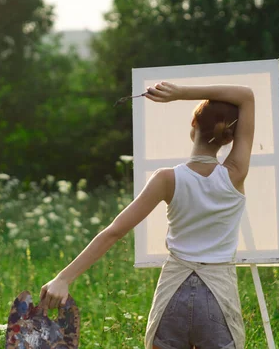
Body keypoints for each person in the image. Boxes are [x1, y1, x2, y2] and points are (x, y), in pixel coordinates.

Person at [40, 81, 255, 349]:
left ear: (193, 126)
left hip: (172, 293)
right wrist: (181, 93)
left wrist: (63, 278)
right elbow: (246, 95)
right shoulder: (235, 173)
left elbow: (114, 232)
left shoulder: (166, 179)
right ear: (230, 138)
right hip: (219, 295)